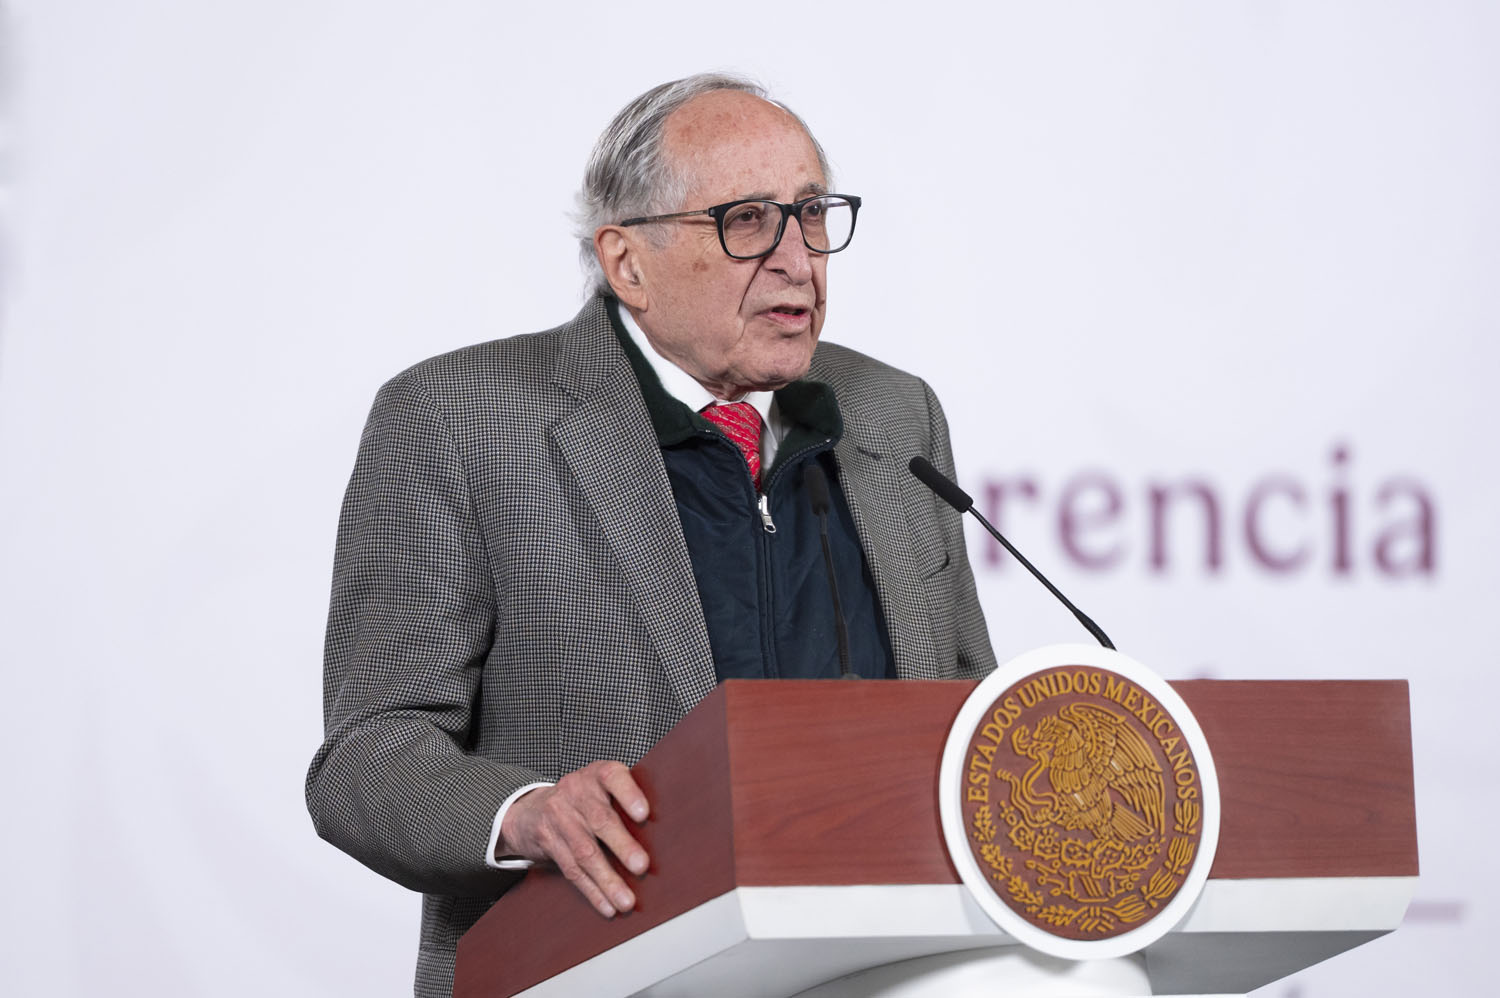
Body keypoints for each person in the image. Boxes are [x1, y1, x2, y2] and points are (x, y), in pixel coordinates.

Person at [306, 73, 995, 997]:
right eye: (748, 221)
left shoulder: (894, 412)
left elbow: (970, 708)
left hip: (891, 965)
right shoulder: (456, 421)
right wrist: (526, 813)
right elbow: (366, 757)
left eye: (811, 214)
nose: (798, 260)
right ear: (627, 261)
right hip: (606, 966)